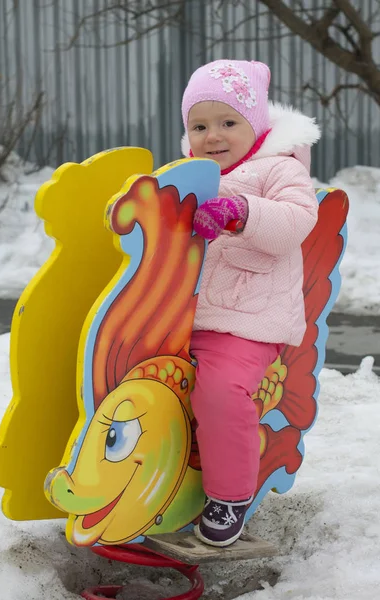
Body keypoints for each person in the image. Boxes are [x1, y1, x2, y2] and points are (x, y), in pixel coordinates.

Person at [180, 59, 320, 547]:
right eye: (199, 125)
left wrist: (242, 211)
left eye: (228, 123)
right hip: (183, 315)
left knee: (220, 391)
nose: (212, 136)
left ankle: (229, 496)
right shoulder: (189, 175)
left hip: (246, 319)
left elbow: (297, 220)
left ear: (255, 123)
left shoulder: (279, 168)